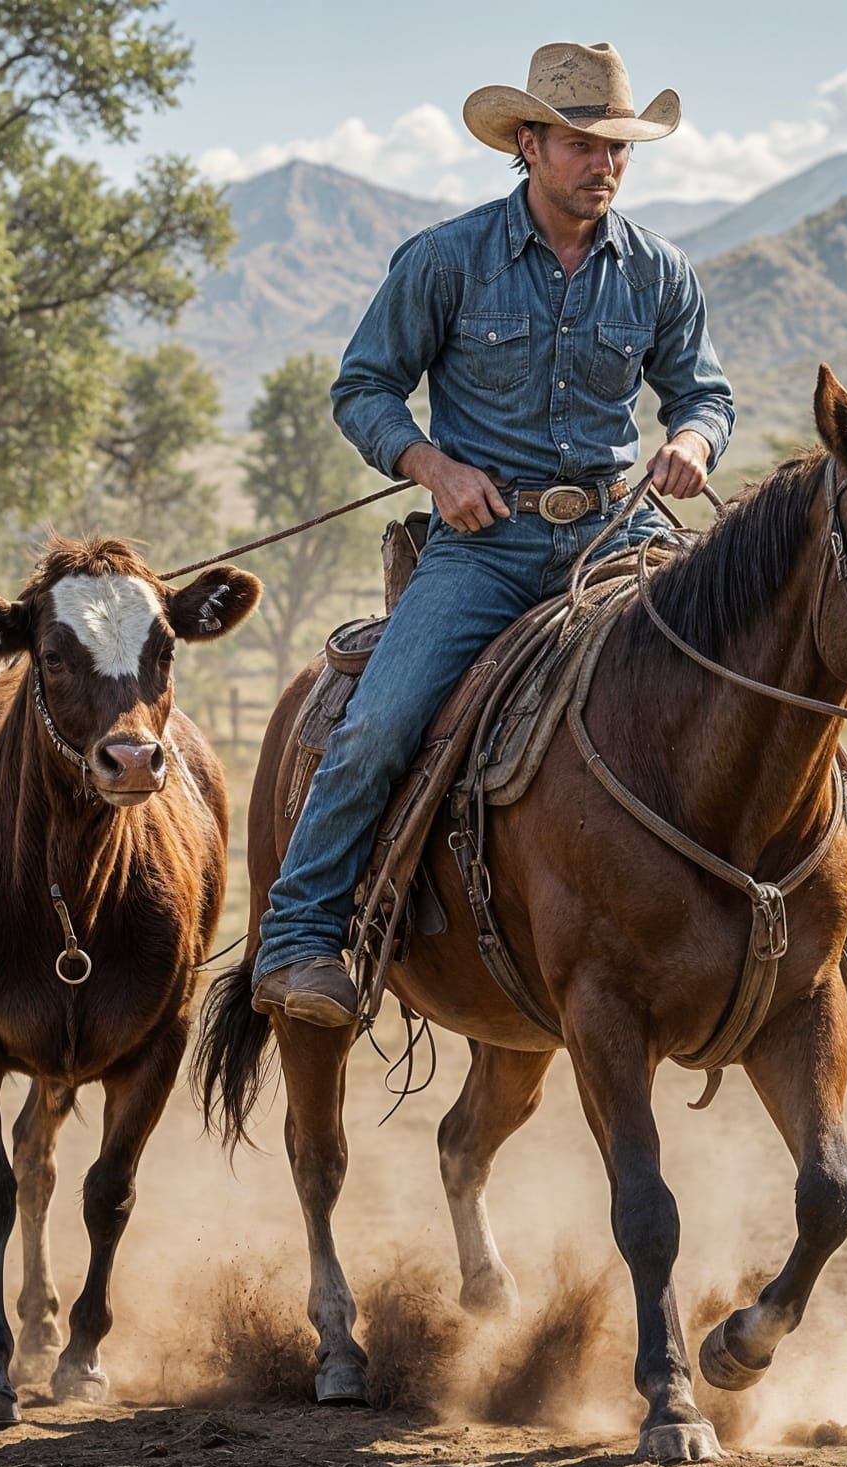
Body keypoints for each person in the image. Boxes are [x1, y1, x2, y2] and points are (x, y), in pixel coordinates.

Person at [251, 41, 736, 1026]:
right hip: (486, 547)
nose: (605, 163)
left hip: (619, 533)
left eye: (618, 147)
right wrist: (434, 468)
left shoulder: (658, 271)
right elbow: (364, 388)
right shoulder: (446, 259)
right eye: (582, 144)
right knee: (379, 724)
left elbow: (705, 394)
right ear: (528, 144)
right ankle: (299, 936)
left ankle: (808, 933)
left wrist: (692, 440)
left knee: (755, 666)